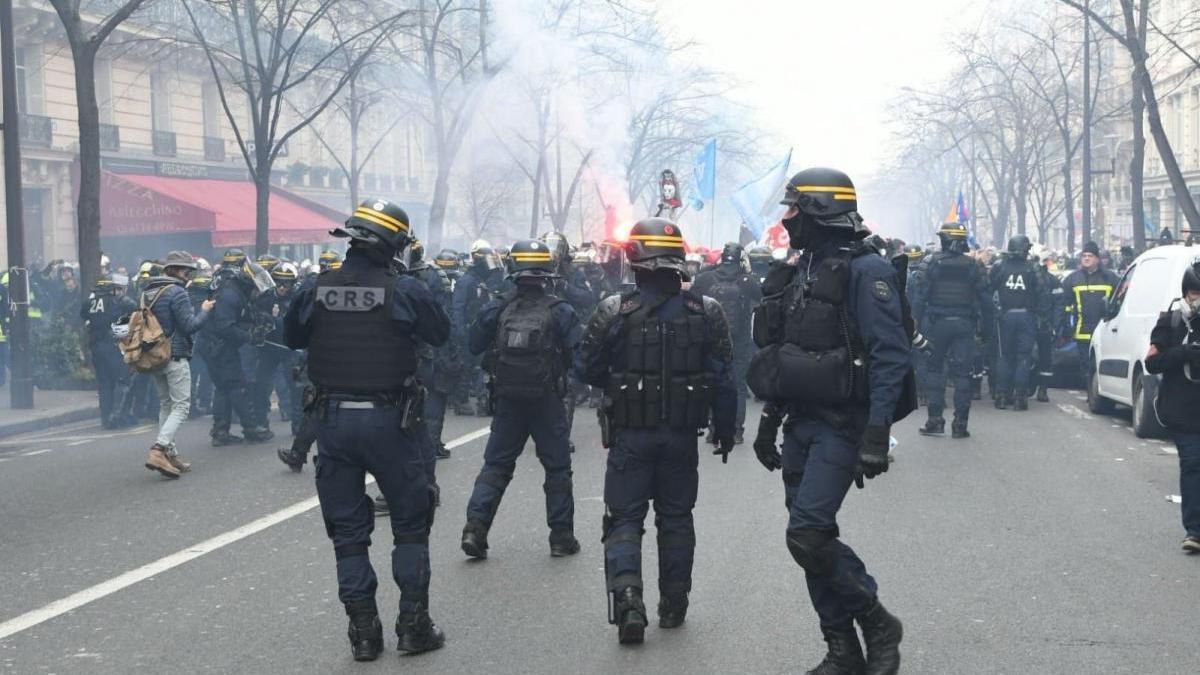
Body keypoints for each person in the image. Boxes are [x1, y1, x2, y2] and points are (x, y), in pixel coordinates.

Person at [748, 168, 909, 675]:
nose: (786, 216)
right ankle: (842, 650)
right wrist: (769, 421)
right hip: (800, 421)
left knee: (809, 533)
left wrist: (877, 433)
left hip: (843, 422)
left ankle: (877, 621)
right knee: (808, 540)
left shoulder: (868, 271)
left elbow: (890, 356)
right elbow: (790, 350)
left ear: (819, 210)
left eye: (793, 207)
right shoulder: (805, 266)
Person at [284, 199, 450, 661]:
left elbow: (294, 337)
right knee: (411, 526)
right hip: (392, 422)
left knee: (348, 533)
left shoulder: (315, 288)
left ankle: (363, 633)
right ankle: (414, 627)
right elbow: (440, 334)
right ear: (394, 245)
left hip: (332, 423)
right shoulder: (406, 289)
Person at [575, 217, 736, 644]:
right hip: (682, 437)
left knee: (625, 519)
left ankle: (629, 600)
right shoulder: (708, 311)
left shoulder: (614, 309)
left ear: (636, 260)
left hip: (631, 436)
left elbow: (586, 367)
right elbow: (724, 377)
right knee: (677, 518)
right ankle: (674, 604)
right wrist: (725, 429)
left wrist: (620, 377)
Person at [459, 239, 582, 559]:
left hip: (508, 399)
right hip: (548, 400)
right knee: (557, 468)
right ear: (548, 270)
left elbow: (473, 344)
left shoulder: (497, 306)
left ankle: (475, 527)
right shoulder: (561, 310)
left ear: (512, 268)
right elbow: (581, 356)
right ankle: (561, 536)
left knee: (496, 465)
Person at [911, 221, 993, 438]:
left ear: (944, 240)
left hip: (937, 325)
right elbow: (986, 301)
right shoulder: (975, 266)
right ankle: (960, 425)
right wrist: (987, 329)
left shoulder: (930, 263)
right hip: (965, 325)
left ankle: (935, 421)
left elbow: (919, 298)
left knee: (934, 371)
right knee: (962, 375)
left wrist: (913, 325)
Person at [141, 251, 215, 478]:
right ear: (176, 270)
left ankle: (170, 455)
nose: (188, 274)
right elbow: (190, 326)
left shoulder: (148, 291)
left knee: (166, 405)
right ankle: (159, 449)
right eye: (186, 270)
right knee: (181, 406)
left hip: (154, 355)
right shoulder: (177, 292)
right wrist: (204, 311)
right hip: (175, 354)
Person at [1145, 260, 1200, 554]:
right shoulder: (1171, 321)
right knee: (1192, 465)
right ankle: (1194, 530)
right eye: (1195, 293)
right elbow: (1152, 362)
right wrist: (1182, 353)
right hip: (1183, 411)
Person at [691, 242, 762, 444]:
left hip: (711, 339)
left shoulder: (705, 278)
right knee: (738, 385)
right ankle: (736, 430)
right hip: (739, 341)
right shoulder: (748, 281)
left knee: (713, 382)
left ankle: (714, 429)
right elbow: (763, 298)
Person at [205, 252, 275, 446]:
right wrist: (249, 335)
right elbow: (225, 326)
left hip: (216, 344)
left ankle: (220, 432)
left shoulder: (237, 291)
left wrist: (258, 323)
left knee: (224, 387)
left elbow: (239, 317)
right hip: (218, 345)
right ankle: (251, 429)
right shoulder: (230, 294)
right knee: (237, 386)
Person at [988, 235, 1042, 410]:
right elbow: (1041, 292)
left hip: (1006, 317)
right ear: (1025, 249)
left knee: (1004, 356)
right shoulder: (1032, 268)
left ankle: (1002, 396)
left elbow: (989, 289)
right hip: (1027, 317)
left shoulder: (999, 266)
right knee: (1023, 357)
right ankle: (1020, 397)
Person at [451, 241, 502, 416]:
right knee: (468, 367)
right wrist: (460, 331)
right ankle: (463, 401)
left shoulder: (481, 281)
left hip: (481, 329)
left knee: (480, 366)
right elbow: (457, 307)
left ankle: (483, 400)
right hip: (468, 329)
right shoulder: (467, 281)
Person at [1061, 241, 1121, 389]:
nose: (1086, 258)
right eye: (1084, 256)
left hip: (1104, 332)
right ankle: (1089, 391)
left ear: (1097, 259)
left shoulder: (1110, 278)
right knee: (1085, 366)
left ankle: (1099, 390)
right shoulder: (1072, 279)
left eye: (1090, 256)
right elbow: (1065, 305)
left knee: (1100, 364)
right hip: (1082, 332)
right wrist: (1067, 327)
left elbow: (1119, 302)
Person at [81, 275, 136, 429]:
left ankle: (105, 419)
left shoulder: (88, 303)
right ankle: (117, 415)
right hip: (113, 346)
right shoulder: (114, 302)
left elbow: (83, 316)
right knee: (122, 380)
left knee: (104, 384)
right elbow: (132, 311)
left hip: (96, 348)